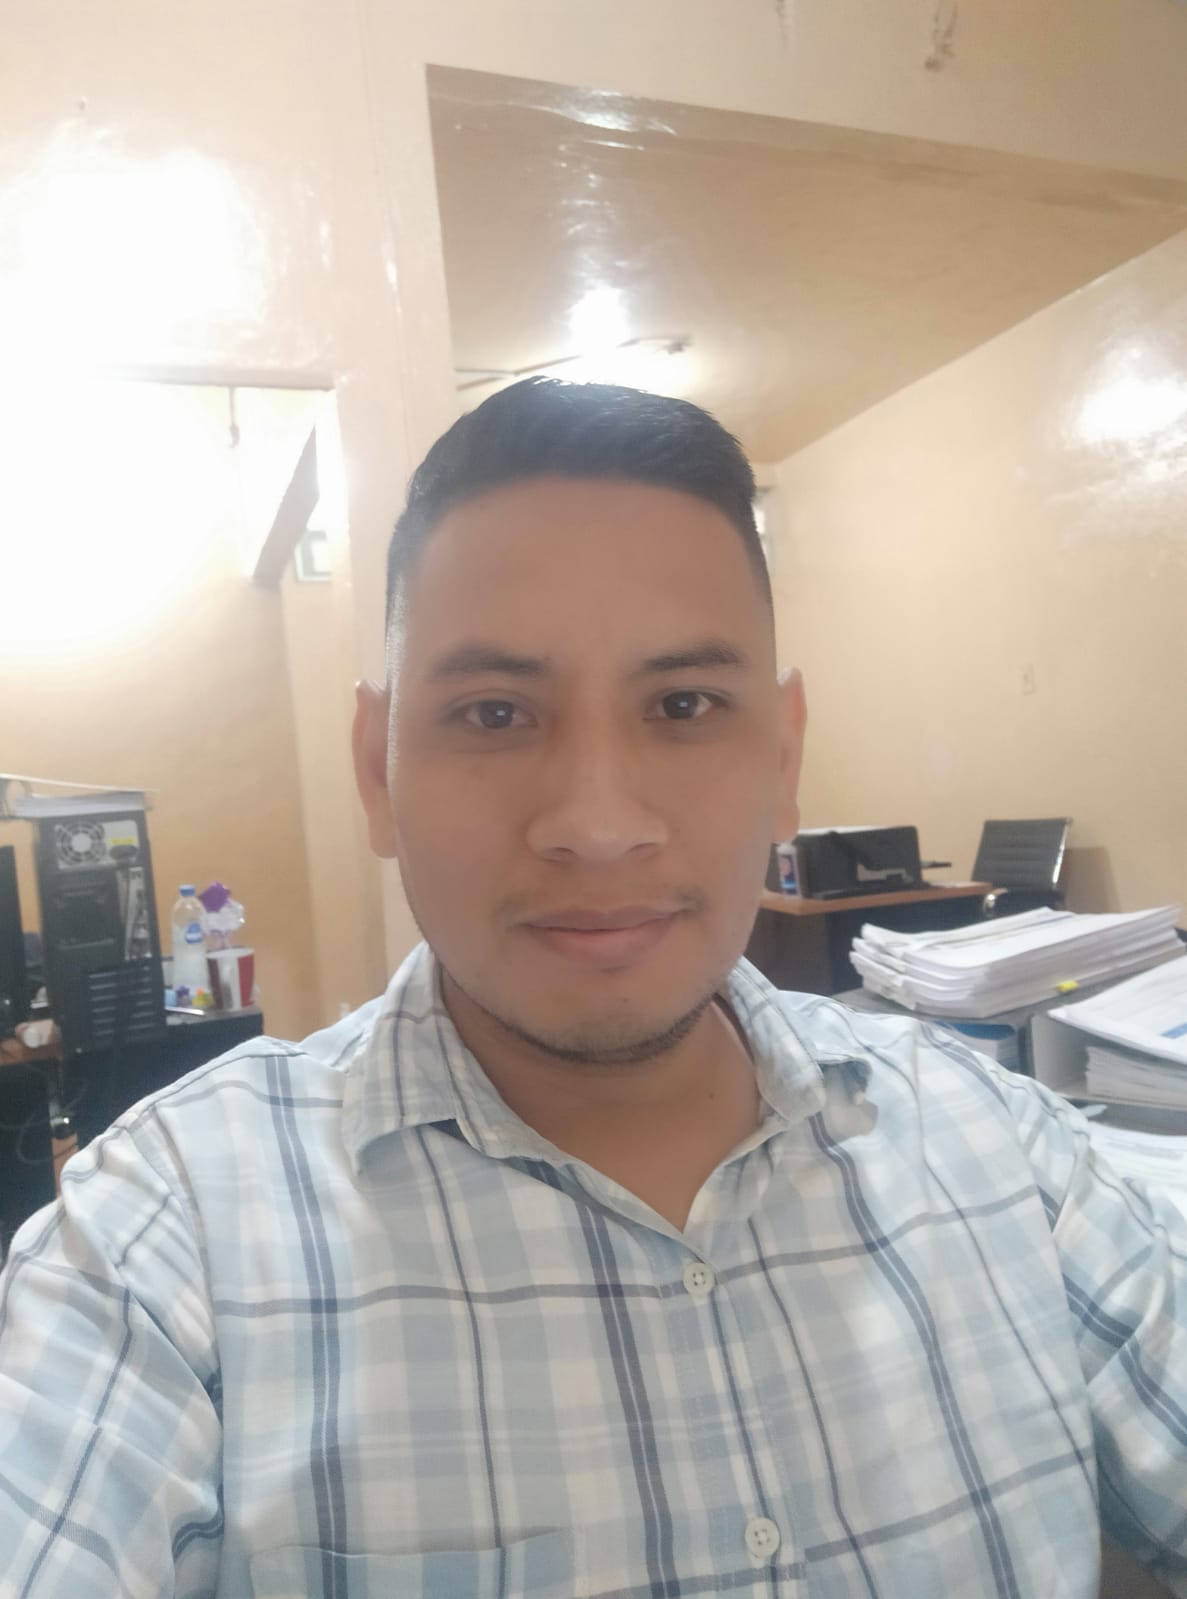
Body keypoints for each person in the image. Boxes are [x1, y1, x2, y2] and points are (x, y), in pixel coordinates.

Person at [1, 378, 1184, 1598]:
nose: (597, 824)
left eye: (683, 705)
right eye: (493, 713)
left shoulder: (999, 1150)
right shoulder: (166, 1246)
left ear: (781, 757)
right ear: (376, 771)